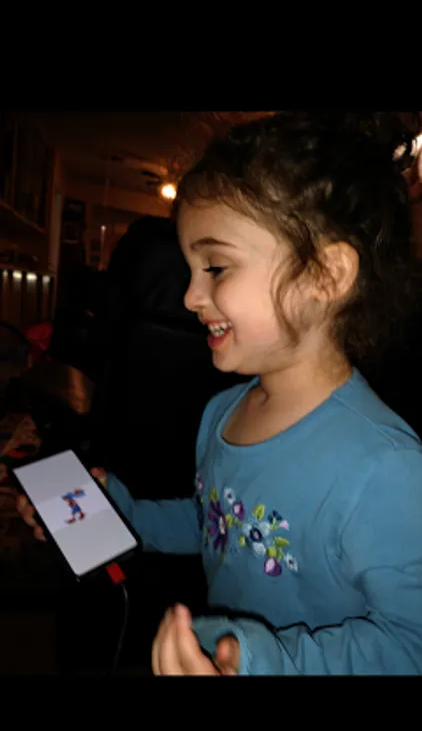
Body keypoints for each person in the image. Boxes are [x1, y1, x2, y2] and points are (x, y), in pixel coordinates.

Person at [18, 111, 422, 675]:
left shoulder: (385, 466)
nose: (190, 297)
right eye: (189, 269)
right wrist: (117, 513)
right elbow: (218, 527)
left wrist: (261, 660)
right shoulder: (222, 413)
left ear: (325, 277)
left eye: (215, 267)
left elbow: (410, 643)